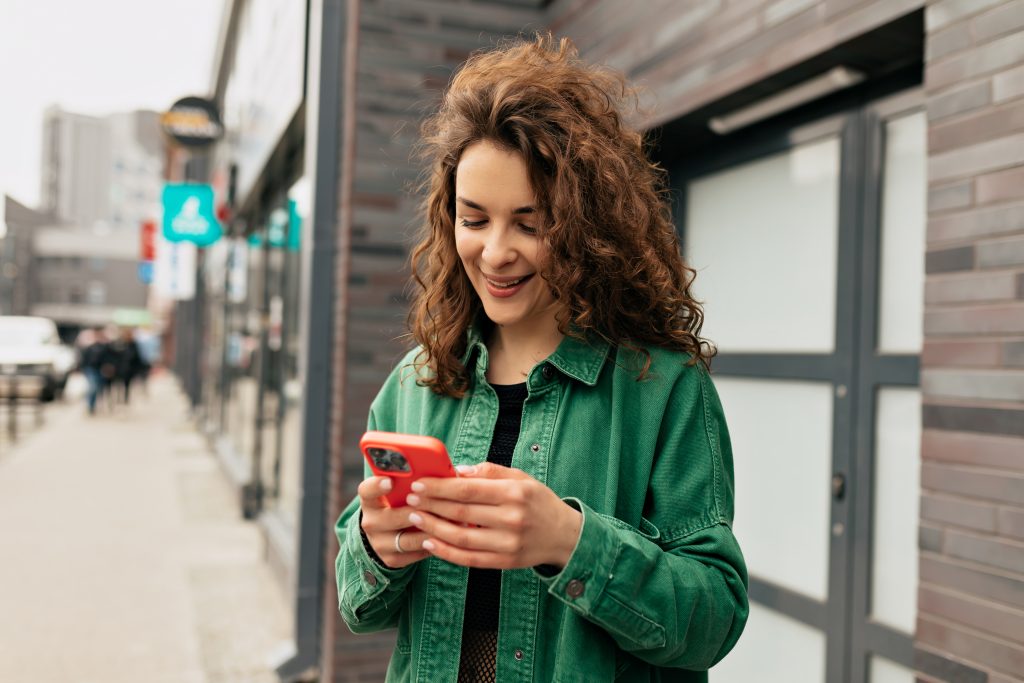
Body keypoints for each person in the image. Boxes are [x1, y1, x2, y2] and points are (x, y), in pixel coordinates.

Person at [335, 34, 748, 682]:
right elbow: (358, 606)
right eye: (474, 220)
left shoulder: (663, 389)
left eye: (530, 223)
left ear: (588, 227)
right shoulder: (415, 383)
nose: (496, 252)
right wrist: (376, 548)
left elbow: (715, 616)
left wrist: (568, 541)